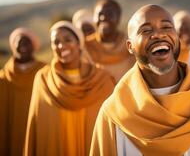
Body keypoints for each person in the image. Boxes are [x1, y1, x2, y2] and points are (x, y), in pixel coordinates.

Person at [89, 4, 190, 156]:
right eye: (145, 30)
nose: (158, 34)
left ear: (177, 38)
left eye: (166, 27)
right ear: (130, 46)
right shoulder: (114, 113)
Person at [24, 21, 115, 156]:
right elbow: (37, 127)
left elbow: (111, 125)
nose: (61, 46)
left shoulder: (102, 79)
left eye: (68, 40)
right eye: (56, 42)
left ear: (79, 43)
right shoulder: (43, 79)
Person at [0, 28, 45, 156]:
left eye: (27, 42)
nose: (22, 45)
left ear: (34, 45)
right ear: (12, 46)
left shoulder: (46, 73)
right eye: (18, 42)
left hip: (39, 132)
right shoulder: (3, 79)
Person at [93, 0, 135, 81]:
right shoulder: (85, 46)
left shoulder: (132, 45)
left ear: (118, 18)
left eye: (109, 14)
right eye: (100, 14)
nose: (103, 18)